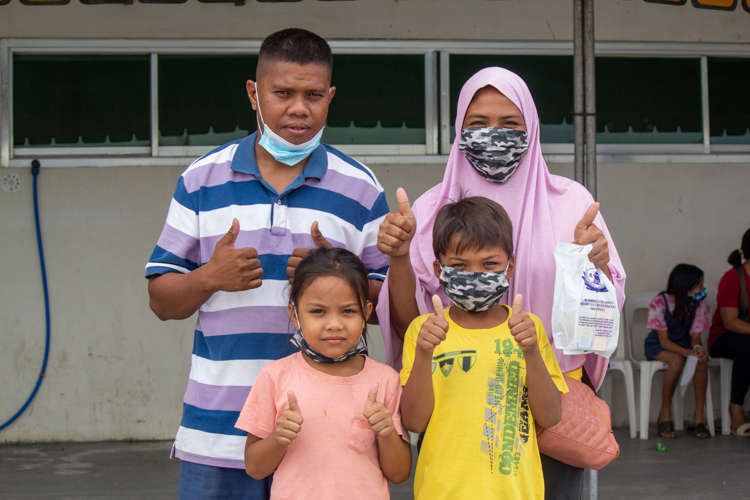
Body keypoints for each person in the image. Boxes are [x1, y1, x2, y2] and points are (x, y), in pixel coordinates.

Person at [145, 29, 389, 499]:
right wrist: (209, 278)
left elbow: (387, 309)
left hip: (328, 442)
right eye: (283, 93)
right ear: (254, 93)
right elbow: (160, 301)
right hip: (218, 434)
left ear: (331, 97)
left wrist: (334, 277)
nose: (299, 108)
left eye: (314, 95)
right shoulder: (201, 179)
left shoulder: (360, 188)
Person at [376, 67, 626, 500]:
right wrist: (398, 259)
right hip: (458, 403)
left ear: (531, 126)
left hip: (550, 400)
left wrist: (597, 270)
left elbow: (600, 319)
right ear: (458, 129)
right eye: (478, 123)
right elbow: (407, 321)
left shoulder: (572, 205)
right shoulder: (431, 208)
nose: (494, 134)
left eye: (510, 123)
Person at [399, 196, 566, 500]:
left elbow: (550, 416)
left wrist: (530, 351)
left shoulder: (529, 329)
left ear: (509, 267)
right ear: (439, 269)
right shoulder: (423, 332)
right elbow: (413, 422)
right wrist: (424, 353)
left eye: (489, 264)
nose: (475, 274)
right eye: (460, 265)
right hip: (441, 491)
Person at [235, 247, 412, 498]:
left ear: (367, 313)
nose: (334, 324)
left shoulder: (385, 381)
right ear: (294, 315)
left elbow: (400, 473)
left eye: (348, 311)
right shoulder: (275, 377)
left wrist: (386, 432)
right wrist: (278, 438)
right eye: (318, 311)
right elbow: (254, 468)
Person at [643, 264, 710, 439]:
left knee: (702, 361)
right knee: (676, 361)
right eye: (699, 286)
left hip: (685, 344)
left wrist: (697, 350)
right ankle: (665, 411)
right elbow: (664, 341)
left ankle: (699, 417)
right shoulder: (660, 302)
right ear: (685, 286)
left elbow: (696, 337)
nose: (702, 290)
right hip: (659, 346)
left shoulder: (698, 304)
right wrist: (686, 352)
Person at [709, 228, 750, 437]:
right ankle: (735, 409)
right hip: (723, 338)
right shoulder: (733, 278)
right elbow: (730, 322)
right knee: (748, 347)